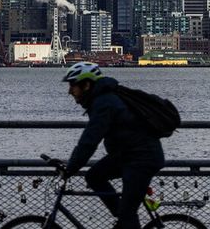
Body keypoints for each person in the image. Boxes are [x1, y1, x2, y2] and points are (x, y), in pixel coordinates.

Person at [61, 62, 165, 229]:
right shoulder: (103, 99)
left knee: (128, 213)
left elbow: (89, 141)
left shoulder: (104, 103)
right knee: (94, 176)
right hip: (127, 155)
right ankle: (122, 220)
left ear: (86, 84)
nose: (69, 91)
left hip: (142, 159)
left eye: (73, 85)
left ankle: (124, 219)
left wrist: (70, 169)